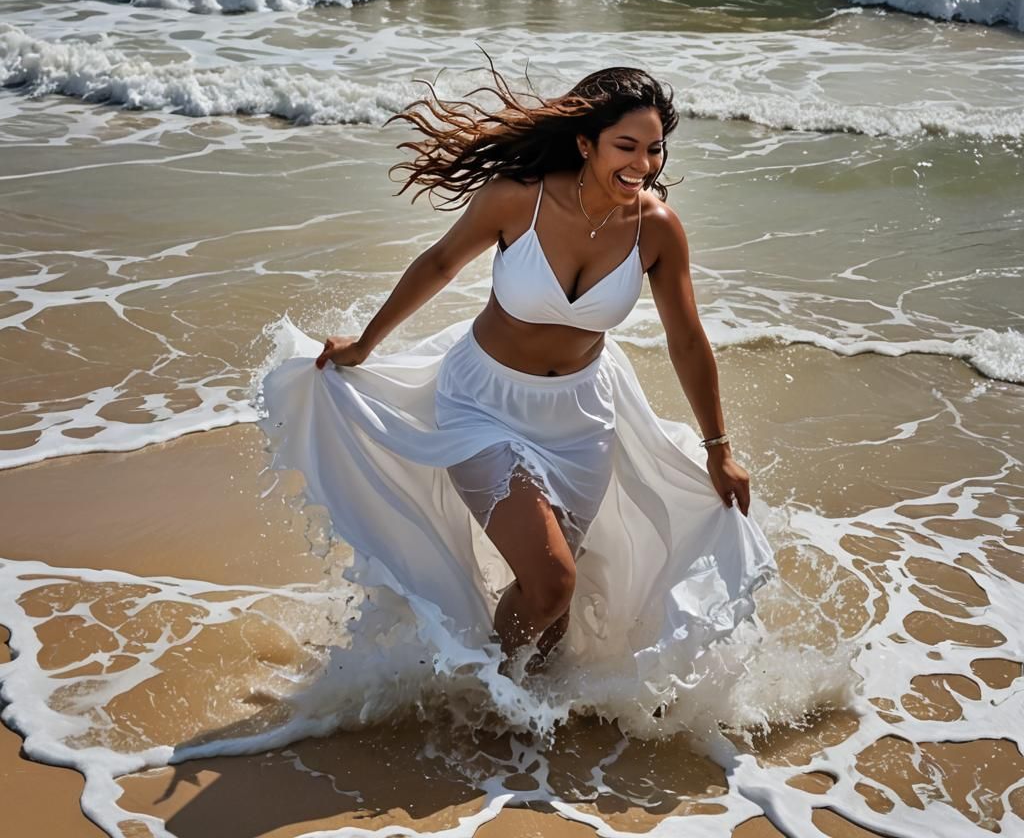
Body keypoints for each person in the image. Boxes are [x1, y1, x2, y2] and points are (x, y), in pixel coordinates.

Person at [261, 66, 775, 683]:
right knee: (553, 579)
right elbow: (442, 261)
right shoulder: (518, 198)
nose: (644, 164)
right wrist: (367, 344)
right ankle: (489, 696)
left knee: (552, 601)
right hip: (483, 402)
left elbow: (686, 340)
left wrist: (719, 449)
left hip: (581, 419)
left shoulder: (655, 228)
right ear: (586, 143)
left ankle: (529, 715)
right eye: (627, 146)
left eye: (655, 148)